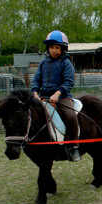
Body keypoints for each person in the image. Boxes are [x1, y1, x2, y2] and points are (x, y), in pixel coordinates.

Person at [31, 30, 81, 162]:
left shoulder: (66, 63)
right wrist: (35, 93)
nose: (53, 50)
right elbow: (36, 79)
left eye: (57, 47)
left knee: (70, 116)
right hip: (44, 97)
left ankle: (74, 147)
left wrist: (58, 93)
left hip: (63, 97)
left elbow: (69, 82)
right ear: (48, 48)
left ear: (62, 49)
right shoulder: (43, 63)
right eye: (52, 47)